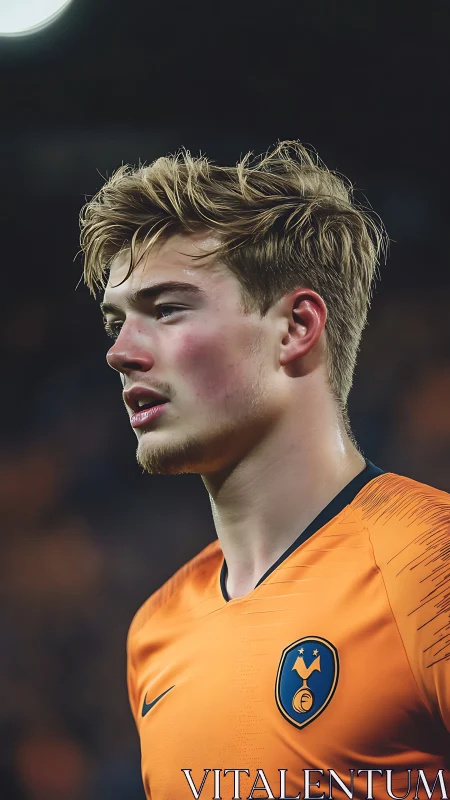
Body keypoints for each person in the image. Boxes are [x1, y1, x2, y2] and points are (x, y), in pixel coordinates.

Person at [79, 142, 450, 800]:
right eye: (117, 320)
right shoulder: (156, 631)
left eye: (166, 309)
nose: (120, 353)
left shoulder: (432, 563)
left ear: (296, 327)